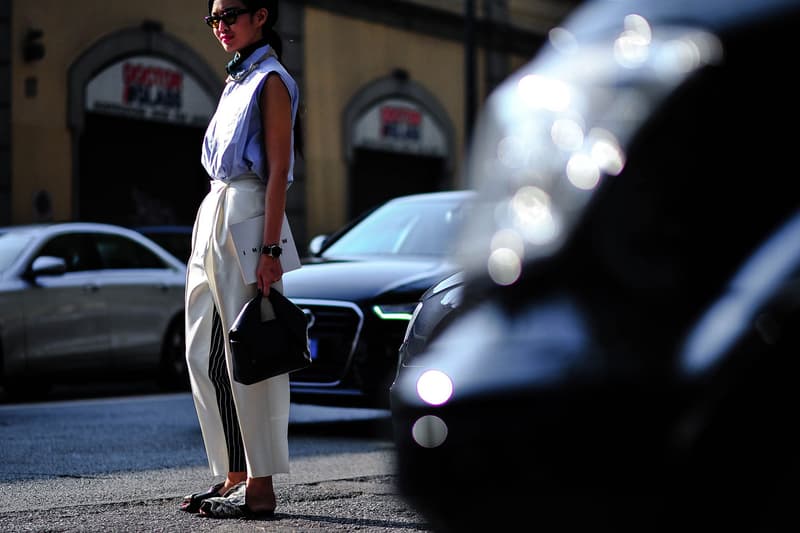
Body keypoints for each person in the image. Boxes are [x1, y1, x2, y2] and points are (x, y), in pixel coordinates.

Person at [180, 0, 302, 520]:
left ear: (262, 15)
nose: (221, 26)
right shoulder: (236, 80)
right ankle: (233, 472)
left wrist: (271, 250)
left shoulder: (270, 80)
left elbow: (278, 172)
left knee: (250, 350)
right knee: (201, 350)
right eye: (214, 18)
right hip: (213, 207)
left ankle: (260, 486)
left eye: (230, 15)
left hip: (247, 211)